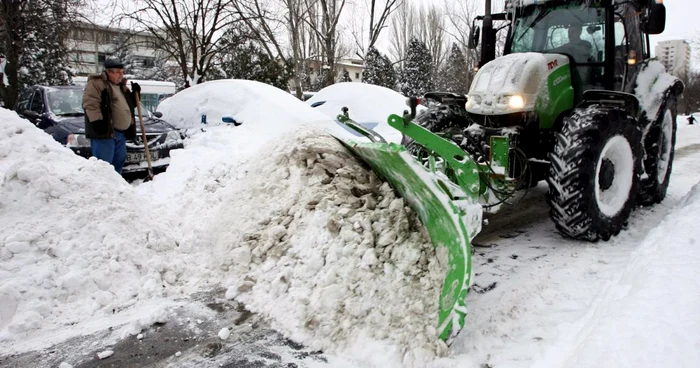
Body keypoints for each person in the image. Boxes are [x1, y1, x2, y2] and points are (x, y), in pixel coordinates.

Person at [82, 58, 141, 174]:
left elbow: (130, 105)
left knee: (118, 161)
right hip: (105, 132)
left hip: (120, 133)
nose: (121, 75)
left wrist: (136, 94)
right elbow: (90, 103)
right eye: (118, 72)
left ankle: (116, 188)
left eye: (122, 72)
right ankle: (102, 189)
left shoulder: (120, 86)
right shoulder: (97, 83)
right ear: (109, 72)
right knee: (104, 165)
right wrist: (97, 122)